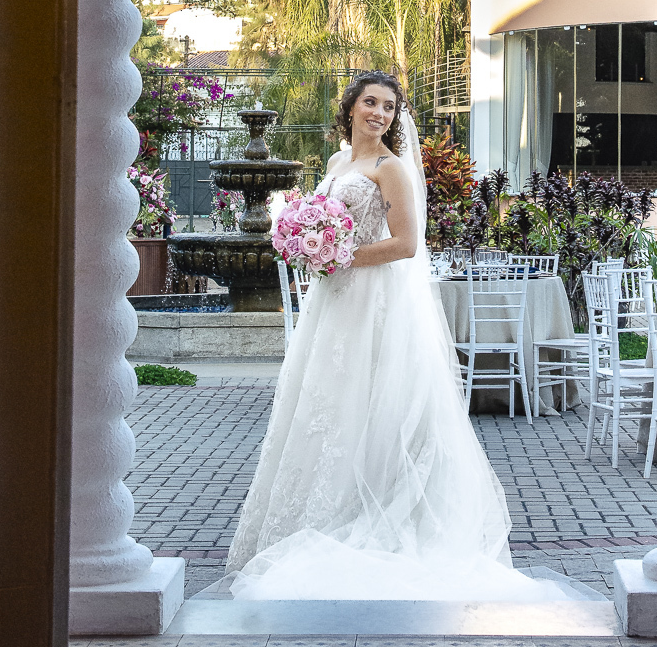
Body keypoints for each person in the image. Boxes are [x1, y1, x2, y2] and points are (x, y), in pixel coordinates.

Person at [203, 71, 602, 602]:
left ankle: (384, 517)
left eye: (389, 107)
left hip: (375, 303)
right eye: (370, 103)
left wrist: (335, 254)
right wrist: (306, 244)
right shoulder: (336, 164)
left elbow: (407, 244)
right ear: (349, 110)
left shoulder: (392, 170)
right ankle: (322, 517)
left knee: (376, 408)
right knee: (330, 404)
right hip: (335, 304)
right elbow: (328, 225)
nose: (380, 113)